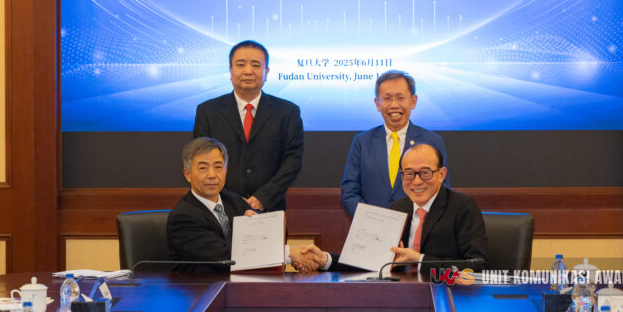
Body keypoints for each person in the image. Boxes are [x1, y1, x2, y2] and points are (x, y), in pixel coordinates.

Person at [294, 143, 488, 273]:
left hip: (447, 296)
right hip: (401, 293)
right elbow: (369, 260)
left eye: (425, 173)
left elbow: (478, 265)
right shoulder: (399, 207)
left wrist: (420, 260)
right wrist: (325, 259)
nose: (417, 181)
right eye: (409, 173)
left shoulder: (463, 207)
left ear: (441, 174)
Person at [193, 40, 304, 212]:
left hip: (269, 208)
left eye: (256, 65)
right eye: (240, 65)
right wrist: (231, 200)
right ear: (231, 71)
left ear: (266, 72)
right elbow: (201, 160)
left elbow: (293, 161)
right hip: (220, 207)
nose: (248, 71)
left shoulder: (287, 112)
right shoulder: (208, 111)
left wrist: (263, 197)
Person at [340, 70, 450, 219]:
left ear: (413, 101)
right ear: (377, 104)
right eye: (387, 98)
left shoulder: (431, 141)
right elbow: (349, 193)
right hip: (373, 228)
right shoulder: (362, 142)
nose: (394, 105)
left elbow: (441, 191)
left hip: (417, 227)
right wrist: (371, 221)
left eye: (400, 98)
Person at [167, 137, 254, 272]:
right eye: (203, 168)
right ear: (187, 174)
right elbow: (225, 258)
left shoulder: (236, 202)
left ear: (226, 170)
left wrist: (259, 223)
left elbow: (264, 230)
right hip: (200, 284)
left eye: (218, 167)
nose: (212, 175)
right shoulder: (182, 217)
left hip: (239, 281)